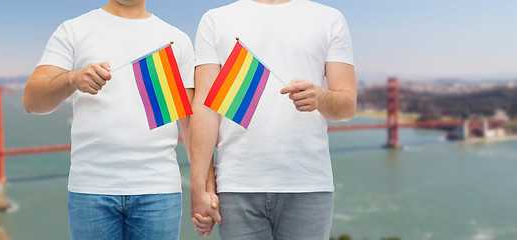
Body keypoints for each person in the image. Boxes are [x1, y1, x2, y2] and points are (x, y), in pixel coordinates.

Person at [22, 1, 195, 239]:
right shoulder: (73, 30)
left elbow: (188, 122)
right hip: (90, 190)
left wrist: (202, 187)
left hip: (159, 189)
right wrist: (73, 79)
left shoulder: (176, 40)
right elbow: (32, 101)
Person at [189, 0, 356, 239]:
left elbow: (347, 107)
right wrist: (199, 187)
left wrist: (320, 97)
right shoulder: (215, 19)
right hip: (236, 187)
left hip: (308, 186)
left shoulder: (330, 19)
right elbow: (205, 107)